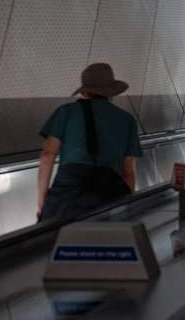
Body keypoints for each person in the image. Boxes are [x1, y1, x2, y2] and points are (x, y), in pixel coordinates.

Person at [37, 62, 142, 222]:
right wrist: (127, 210)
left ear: (84, 92)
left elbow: (47, 157)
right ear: (111, 93)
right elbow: (128, 173)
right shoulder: (127, 120)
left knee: (55, 242)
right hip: (107, 191)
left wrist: (43, 200)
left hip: (67, 192)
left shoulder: (65, 112)